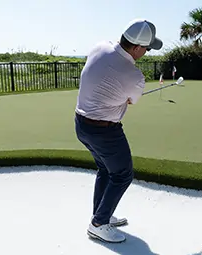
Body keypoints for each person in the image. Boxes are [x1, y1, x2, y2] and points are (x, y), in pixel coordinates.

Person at [74, 19, 162, 243]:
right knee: (123, 174)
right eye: (147, 48)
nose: (146, 52)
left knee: (105, 169)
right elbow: (131, 100)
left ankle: (101, 214)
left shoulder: (100, 46)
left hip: (81, 124)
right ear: (136, 48)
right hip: (105, 131)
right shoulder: (135, 76)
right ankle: (99, 224)